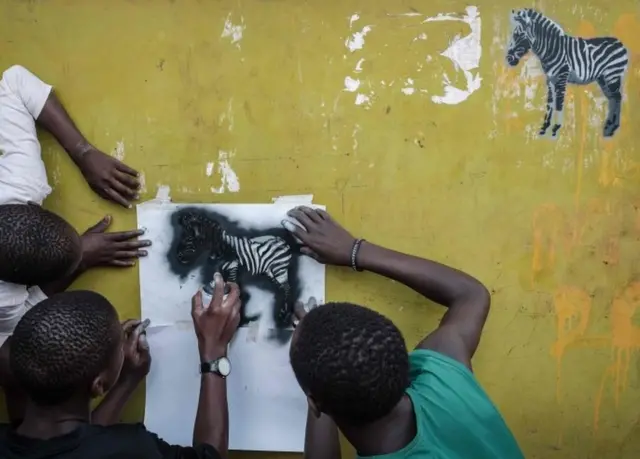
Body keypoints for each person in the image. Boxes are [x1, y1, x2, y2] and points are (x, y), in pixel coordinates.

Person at [284, 206, 524, 459]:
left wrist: (324, 394)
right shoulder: (443, 381)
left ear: (315, 403)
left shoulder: (441, 376)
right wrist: (353, 250)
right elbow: (471, 295)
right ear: (405, 364)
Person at [0, 64, 150, 420]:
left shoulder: (20, 186)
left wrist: (83, 152)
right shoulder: (4, 304)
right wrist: (81, 260)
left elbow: (16, 81)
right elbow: (16, 352)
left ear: (26, 209)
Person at [0, 274, 241, 459]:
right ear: (99, 384)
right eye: (117, 348)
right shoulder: (132, 449)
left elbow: (76, 446)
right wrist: (213, 350)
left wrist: (125, 382)